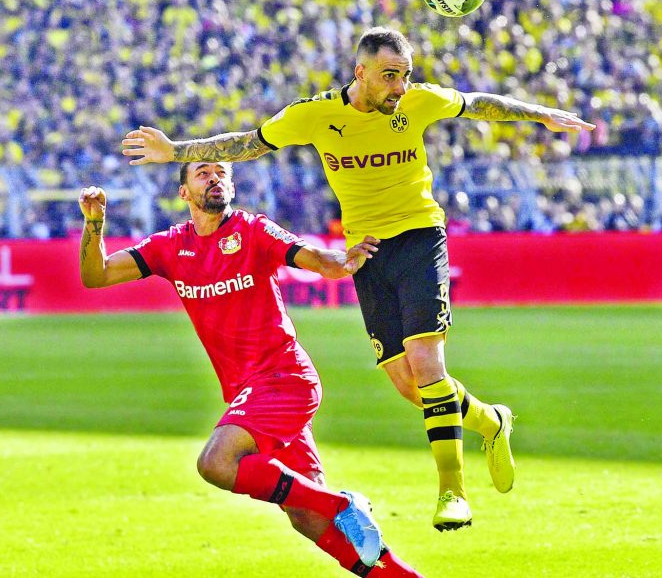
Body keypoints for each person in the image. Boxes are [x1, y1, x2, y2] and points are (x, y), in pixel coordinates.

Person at [121, 26, 596, 530]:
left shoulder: (419, 102)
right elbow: (248, 143)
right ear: (360, 72)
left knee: (425, 362)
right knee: (410, 385)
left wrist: (539, 113)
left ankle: (453, 491)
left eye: (405, 76)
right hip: (367, 253)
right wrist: (178, 152)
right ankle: (488, 419)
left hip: (418, 235)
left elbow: (478, 103)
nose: (399, 87)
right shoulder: (315, 114)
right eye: (390, 76)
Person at [77, 160, 424, 577]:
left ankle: (342, 503)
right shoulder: (168, 247)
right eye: (203, 173)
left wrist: (339, 261)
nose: (215, 179)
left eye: (222, 172)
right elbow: (95, 276)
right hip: (251, 392)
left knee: (216, 463)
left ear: (234, 186)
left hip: (284, 378)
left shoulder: (252, 230)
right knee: (307, 519)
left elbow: (309, 255)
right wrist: (94, 223)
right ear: (184, 192)